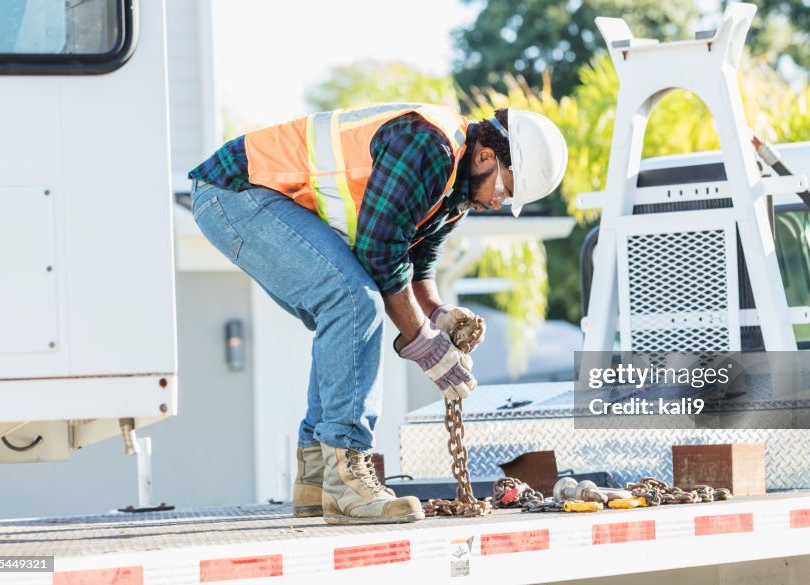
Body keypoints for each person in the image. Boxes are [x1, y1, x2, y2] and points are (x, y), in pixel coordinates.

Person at [188, 103, 567, 525]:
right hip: (236, 192)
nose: (498, 202)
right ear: (486, 156)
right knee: (353, 301)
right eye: (504, 189)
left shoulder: (456, 191)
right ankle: (347, 478)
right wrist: (426, 347)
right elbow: (380, 253)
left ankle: (316, 476)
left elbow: (416, 263)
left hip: (253, 197)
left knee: (345, 308)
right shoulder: (430, 146)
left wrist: (440, 313)